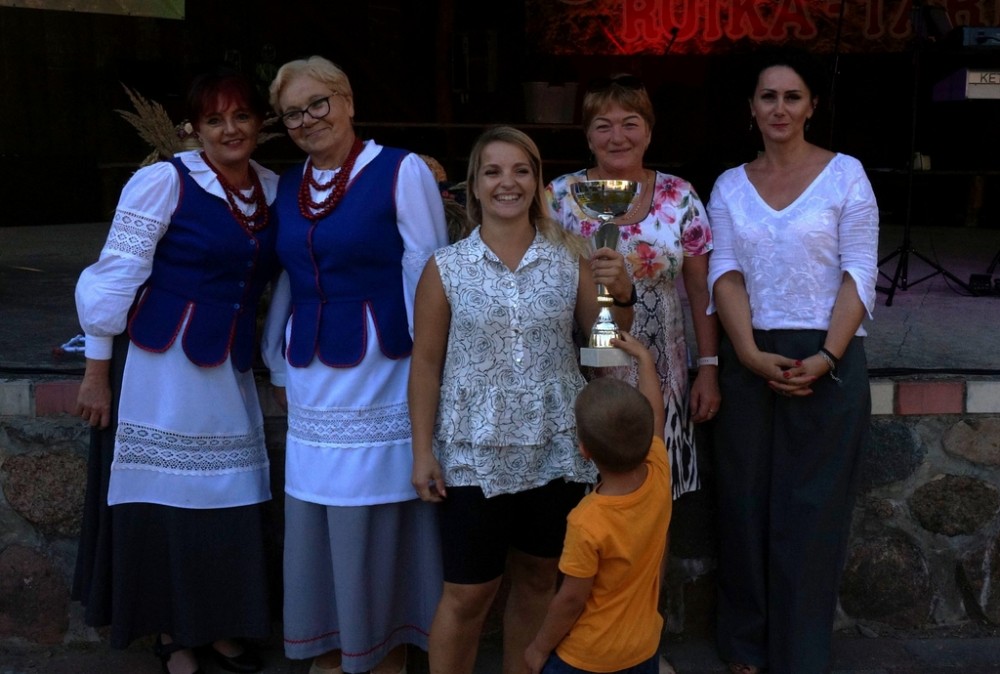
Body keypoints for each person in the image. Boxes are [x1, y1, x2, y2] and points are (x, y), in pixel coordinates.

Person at [73, 67, 278, 674]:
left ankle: (216, 628)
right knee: (165, 502)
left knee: (227, 498)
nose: (230, 129)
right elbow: (114, 277)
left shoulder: (270, 188)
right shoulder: (164, 181)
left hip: (227, 367)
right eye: (215, 119)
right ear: (194, 128)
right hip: (161, 369)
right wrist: (95, 374)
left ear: (260, 124)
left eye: (241, 116)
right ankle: (173, 636)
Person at [408, 125, 635, 674]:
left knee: (538, 578)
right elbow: (426, 365)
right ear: (474, 186)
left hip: (554, 447)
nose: (506, 182)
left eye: (520, 170)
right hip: (472, 451)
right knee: (468, 593)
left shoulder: (570, 258)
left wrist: (620, 294)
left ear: (536, 183)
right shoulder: (446, 268)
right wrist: (422, 451)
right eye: (492, 171)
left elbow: (603, 348)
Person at [264, 55, 448, 674]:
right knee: (317, 504)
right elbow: (289, 278)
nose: (308, 120)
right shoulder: (289, 184)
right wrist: (277, 361)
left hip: (384, 363)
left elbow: (427, 268)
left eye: (318, 104)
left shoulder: (400, 170)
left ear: (347, 102)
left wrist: (429, 366)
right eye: (293, 113)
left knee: (379, 501)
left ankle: (385, 645)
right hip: (313, 370)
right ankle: (332, 640)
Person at [706, 47, 879, 674]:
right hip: (749, 353)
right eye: (768, 97)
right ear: (752, 109)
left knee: (812, 511)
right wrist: (748, 353)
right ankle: (745, 643)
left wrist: (828, 355)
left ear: (811, 107)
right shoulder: (729, 185)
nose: (779, 108)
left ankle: (800, 651)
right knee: (743, 503)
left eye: (792, 96)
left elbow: (860, 271)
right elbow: (724, 271)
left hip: (829, 356)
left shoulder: (846, 175)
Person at [546, 74, 720, 502]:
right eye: (603, 125)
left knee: (655, 499)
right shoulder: (557, 198)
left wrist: (709, 367)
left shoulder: (680, 196)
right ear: (588, 137)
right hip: (581, 371)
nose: (617, 136)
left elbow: (701, 291)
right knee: (586, 503)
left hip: (661, 372)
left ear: (649, 131)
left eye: (630, 123)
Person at [524, 332, 672, 674]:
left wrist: (538, 647)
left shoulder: (587, 520)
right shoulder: (658, 469)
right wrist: (644, 359)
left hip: (587, 657)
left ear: (584, 450)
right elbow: (656, 415)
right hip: (643, 648)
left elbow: (571, 599)